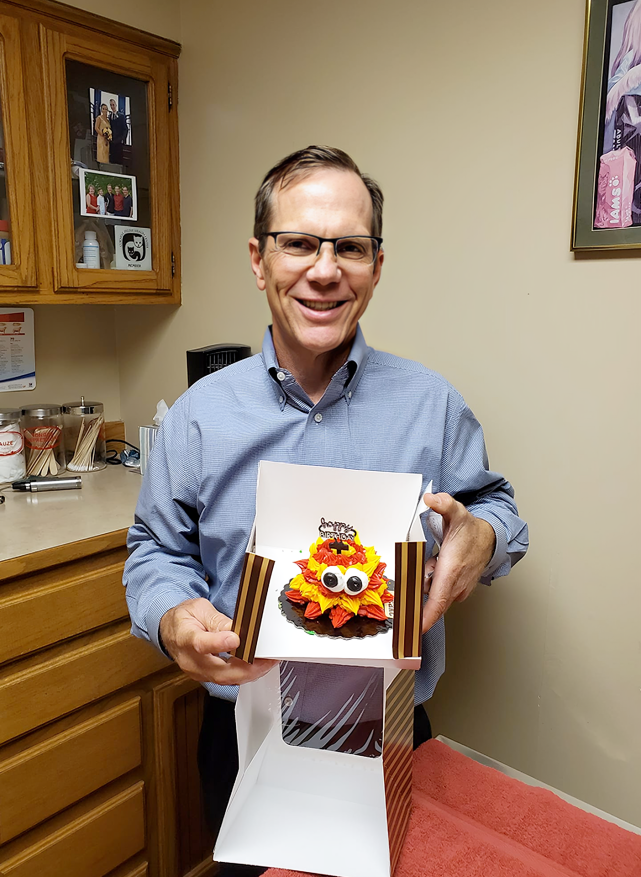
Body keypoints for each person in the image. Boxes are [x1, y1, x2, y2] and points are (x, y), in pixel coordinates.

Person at [124, 146, 528, 877]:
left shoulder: (431, 404)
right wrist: (170, 614)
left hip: (395, 733)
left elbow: (495, 509)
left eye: (350, 247)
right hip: (242, 736)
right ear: (259, 259)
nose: (324, 269)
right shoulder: (197, 418)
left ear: (377, 265)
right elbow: (155, 549)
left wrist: (483, 537)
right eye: (299, 243)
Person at [109, 98, 128, 164]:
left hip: (119, 142)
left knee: (119, 159)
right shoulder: (110, 117)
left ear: (116, 105)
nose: (112, 106)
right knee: (112, 159)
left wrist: (122, 139)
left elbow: (125, 129)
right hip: (112, 141)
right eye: (111, 105)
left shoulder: (121, 116)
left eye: (113, 105)